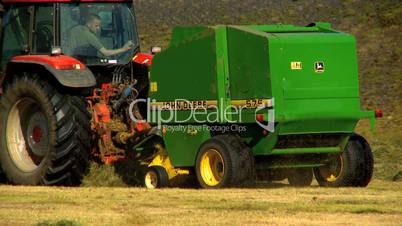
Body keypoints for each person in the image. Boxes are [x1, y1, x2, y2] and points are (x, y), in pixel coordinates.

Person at [68, 13, 133, 59]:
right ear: (88, 24)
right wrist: (123, 49)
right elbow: (105, 53)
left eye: (99, 26)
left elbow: (71, 48)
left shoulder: (74, 29)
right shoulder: (90, 36)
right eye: (96, 26)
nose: (99, 28)